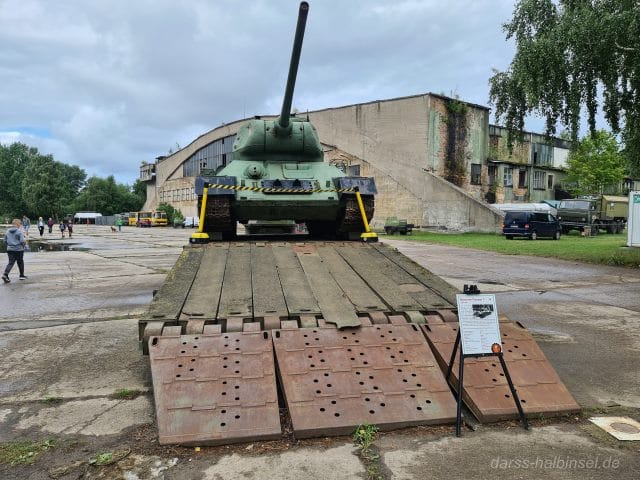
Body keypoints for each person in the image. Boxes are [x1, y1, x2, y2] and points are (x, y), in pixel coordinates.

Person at [2, 219, 27, 283]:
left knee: (11, 262)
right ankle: (21, 275)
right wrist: (24, 245)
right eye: (20, 224)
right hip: (19, 249)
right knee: (20, 262)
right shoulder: (19, 231)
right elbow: (22, 241)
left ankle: (5, 274)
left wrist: (9, 246)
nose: (20, 225)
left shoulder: (7, 231)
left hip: (10, 249)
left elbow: (4, 241)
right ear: (18, 224)